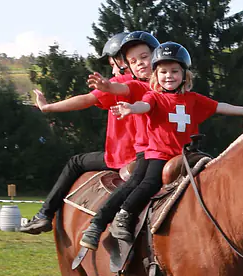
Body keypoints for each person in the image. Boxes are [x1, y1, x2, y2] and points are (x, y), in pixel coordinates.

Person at [79, 42, 243, 250]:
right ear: (156, 74)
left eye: (174, 71)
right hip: (158, 154)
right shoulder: (153, 97)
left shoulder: (192, 99)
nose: (169, 76)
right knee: (148, 183)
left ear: (184, 75)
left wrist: (242, 110)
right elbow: (143, 106)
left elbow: (218, 106)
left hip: (185, 154)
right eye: (163, 72)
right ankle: (121, 215)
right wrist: (131, 108)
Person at [19, 31, 160, 234]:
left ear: (122, 62)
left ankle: (44, 215)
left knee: (75, 162)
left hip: (123, 155)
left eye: (113, 64)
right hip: (156, 153)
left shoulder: (126, 83)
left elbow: (85, 99)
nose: (113, 70)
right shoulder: (162, 83)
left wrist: (48, 107)